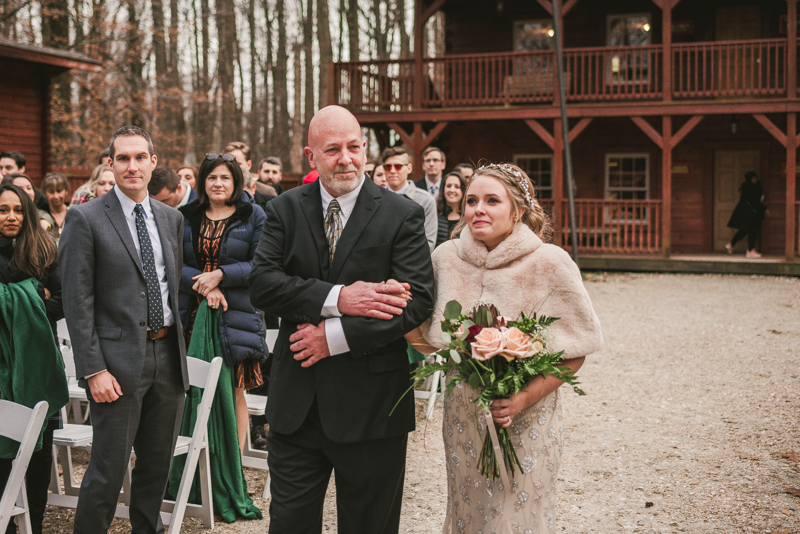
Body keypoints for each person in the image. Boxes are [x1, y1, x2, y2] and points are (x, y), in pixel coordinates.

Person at [248, 105, 434, 534]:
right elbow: (262, 284)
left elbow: (416, 300)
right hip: (297, 406)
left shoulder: (400, 214)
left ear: (364, 150)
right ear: (311, 156)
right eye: (332, 149)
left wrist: (334, 337)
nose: (345, 158)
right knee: (289, 525)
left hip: (373, 405)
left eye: (353, 147)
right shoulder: (284, 210)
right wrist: (339, 298)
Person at [405, 163, 602, 534]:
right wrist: (400, 315)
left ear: (518, 212)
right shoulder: (445, 259)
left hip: (527, 420)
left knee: (515, 520)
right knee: (469, 514)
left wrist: (521, 399)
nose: (478, 209)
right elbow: (422, 339)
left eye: (492, 201)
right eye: (472, 200)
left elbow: (575, 352)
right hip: (463, 420)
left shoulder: (550, 263)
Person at [59, 125, 189, 533]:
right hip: (115, 367)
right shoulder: (86, 218)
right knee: (106, 471)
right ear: (110, 164)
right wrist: (93, 369)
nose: (132, 166)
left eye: (140, 157)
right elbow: (77, 301)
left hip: (168, 359)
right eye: (123, 158)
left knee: (156, 471)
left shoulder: (171, 219)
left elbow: (172, 289)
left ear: (153, 163)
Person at [178, 152, 267, 455]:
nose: (218, 183)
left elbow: (262, 266)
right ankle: (194, 466)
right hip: (193, 316)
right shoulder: (186, 215)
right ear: (203, 181)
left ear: (236, 181)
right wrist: (204, 286)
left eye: (224, 177)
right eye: (212, 177)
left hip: (237, 315)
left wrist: (221, 275)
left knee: (233, 392)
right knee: (192, 390)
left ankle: (232, 465)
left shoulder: (253, 215)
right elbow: (173, 265)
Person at [0, 183, 67, 534]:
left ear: (28, 212)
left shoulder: (44, 250)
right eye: (2, 209)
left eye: (17, 209)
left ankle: (33, 526)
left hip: (40, 363)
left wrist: (30, 306)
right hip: (0, 367)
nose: (11, 216)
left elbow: (63, 298)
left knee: (39, 453)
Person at [382, 146, 438, 252]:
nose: (392, 171)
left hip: (411, 264)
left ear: (409, 168)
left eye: (398, 166)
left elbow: (429, 244)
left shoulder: (425, 200)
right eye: (388, 167)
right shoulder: (375, 198)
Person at [726, 171, 767, 258]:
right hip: (751, 213)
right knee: (752, 231)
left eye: (755, 178)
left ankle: (731, 244)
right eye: (753, 178)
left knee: (744, 230)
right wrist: (763, 209)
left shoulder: (749, 187)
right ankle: (750, 250)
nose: (754, 180)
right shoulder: (751, 188)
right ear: (749, 179)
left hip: (746, 213)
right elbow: (755, 202)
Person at [435, 171, 466, 247]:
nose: (452, 190)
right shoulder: (435, 212)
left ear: (463, 190)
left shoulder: (468, 216)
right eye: (448, 186)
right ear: (443, 189)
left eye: (457, 187)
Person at [41, 172, 69, 242]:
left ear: (66, 191)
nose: (56, 196)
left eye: (59, 191)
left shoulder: (74, 213)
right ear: (44, 193)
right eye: (51, 192)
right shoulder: (40, 216)